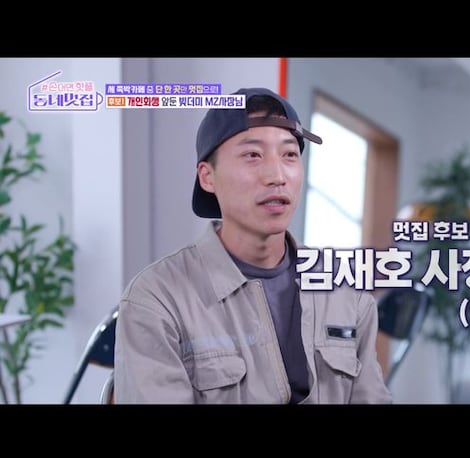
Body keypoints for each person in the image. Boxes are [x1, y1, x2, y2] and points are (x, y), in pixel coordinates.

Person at [114, 87, 393, 404]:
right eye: (252, 155)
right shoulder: (158, 299)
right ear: (207, 177)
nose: (277, 176)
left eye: (289, 155)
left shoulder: (346, 293)